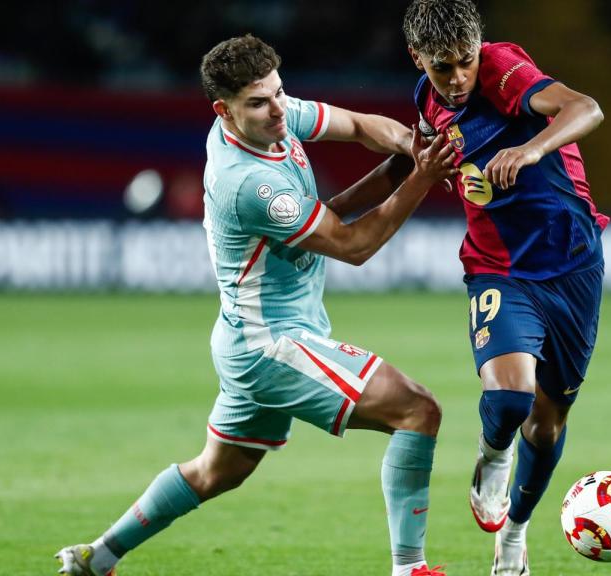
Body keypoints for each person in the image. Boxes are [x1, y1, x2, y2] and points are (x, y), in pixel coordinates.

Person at [55, 34, 455, 576]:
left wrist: (414, 148)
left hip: (245, 337)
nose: (277, 111)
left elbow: (363, 128)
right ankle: (411, 569)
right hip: (273, 344)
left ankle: (95, 558)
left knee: (216, 472)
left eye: (279, 93)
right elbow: (353, 246)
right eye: (259, 102)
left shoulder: (275, 118)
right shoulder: (248, 184)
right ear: (224, 110)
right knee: (417, 410)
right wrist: (424, 177)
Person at [402, 2, 608, 574]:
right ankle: (492, 454)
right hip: (497, 266)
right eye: (443, 68)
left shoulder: (502, 69)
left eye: (465, 62)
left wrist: (531, 147)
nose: (458, 78)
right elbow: (424, 153)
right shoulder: (426, 98)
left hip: (571, 264)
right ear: (418, 59)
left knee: (548, 418)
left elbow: (585, 108)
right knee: (511, 397)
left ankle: (514, 531)